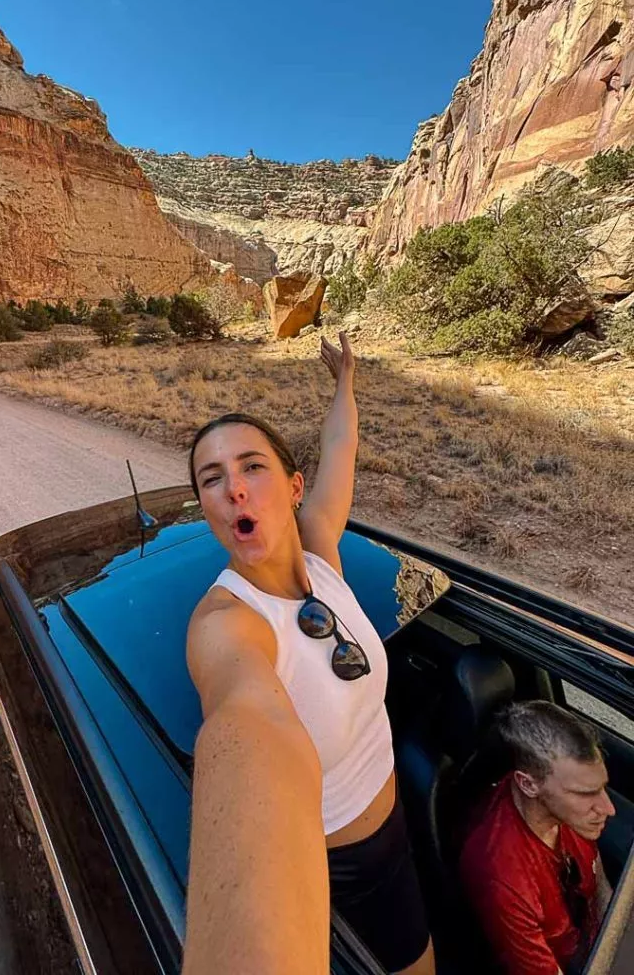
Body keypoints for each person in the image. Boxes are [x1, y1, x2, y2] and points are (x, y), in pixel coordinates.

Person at [181, 333, 434, 975]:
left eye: (251, 467)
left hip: (396, 822)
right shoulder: (227, 625)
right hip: (342, 872)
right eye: (213, 479)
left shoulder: (321, 555)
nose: (233, 488)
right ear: (208, 508)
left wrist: (346, 379)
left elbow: (340, 448)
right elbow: (246, 723)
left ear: (295, 488)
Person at [460, 701, 615, 975]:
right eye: (584, 793)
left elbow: (601, 889)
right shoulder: (504, 879)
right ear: (528, 784)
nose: (608, 808)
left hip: (596, 942)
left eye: (601, 788)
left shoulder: (569, 812)